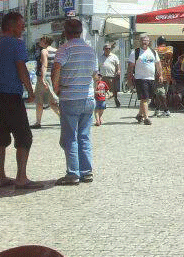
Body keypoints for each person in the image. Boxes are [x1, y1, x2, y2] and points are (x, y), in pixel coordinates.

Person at [0, 12, 40, 189]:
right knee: (24, 137)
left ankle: (0, 177)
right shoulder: (17, 44)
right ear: (11, 25)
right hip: (11, 96)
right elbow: (21, 68)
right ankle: (21, 177)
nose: (23, 27)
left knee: (0, 137)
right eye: (21, 24)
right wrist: (31, 91)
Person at [52, 18, 98, 185]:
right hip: (88, 98)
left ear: (65, 32)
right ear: (80, 32)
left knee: (70, 137)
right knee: (84, 135)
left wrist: (56, 88)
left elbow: (56, 68)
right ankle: (86, 171)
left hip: (71, 97)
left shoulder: (64, 49)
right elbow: (95, 74)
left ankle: (73, 174)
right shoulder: (90, 50)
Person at [127, 35, 162, 125]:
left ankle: (139, 114)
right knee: (144, 98)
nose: (144, 42)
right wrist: (129, 78)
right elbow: (130, 67)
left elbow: (158, 64)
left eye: (146, 40)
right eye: (143, 40)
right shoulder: (135, 52)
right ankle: (146, 118)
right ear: (140, 41)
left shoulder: (153, 52)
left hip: (151, 78)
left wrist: (160, 75)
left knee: (146, 99)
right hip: (140, 78)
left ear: (149, 42)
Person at [31, 35, 60, 129]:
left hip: (44, 77)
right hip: (53, 77)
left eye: (41, 40)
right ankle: (64, 119)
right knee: (52, 102)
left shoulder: (44, 51)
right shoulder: (56, 51)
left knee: (39, 101)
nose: (39, 41)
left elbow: (44, 65)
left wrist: (42, 78)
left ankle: (38, 122)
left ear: (45, 41)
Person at [154, 37, 174, 117]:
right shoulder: (169, 49)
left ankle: (163, 110)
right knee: (162, 93)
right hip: (167, 73)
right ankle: (160, 109)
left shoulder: (155, 50)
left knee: (160, 93)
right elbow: (170, 58)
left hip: (158, 73)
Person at [98, 42, 121, 108]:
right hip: (103, 76)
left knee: (114, 90)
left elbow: (117, 65)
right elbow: (98, 67)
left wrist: (118, 71)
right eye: (106, 48)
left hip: (112, 76)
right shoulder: (100, 57)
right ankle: (103, 103)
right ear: (104, 49)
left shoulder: (114, 56)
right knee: (103, 90)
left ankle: (116, 100)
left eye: (109, 49)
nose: (108, 50)